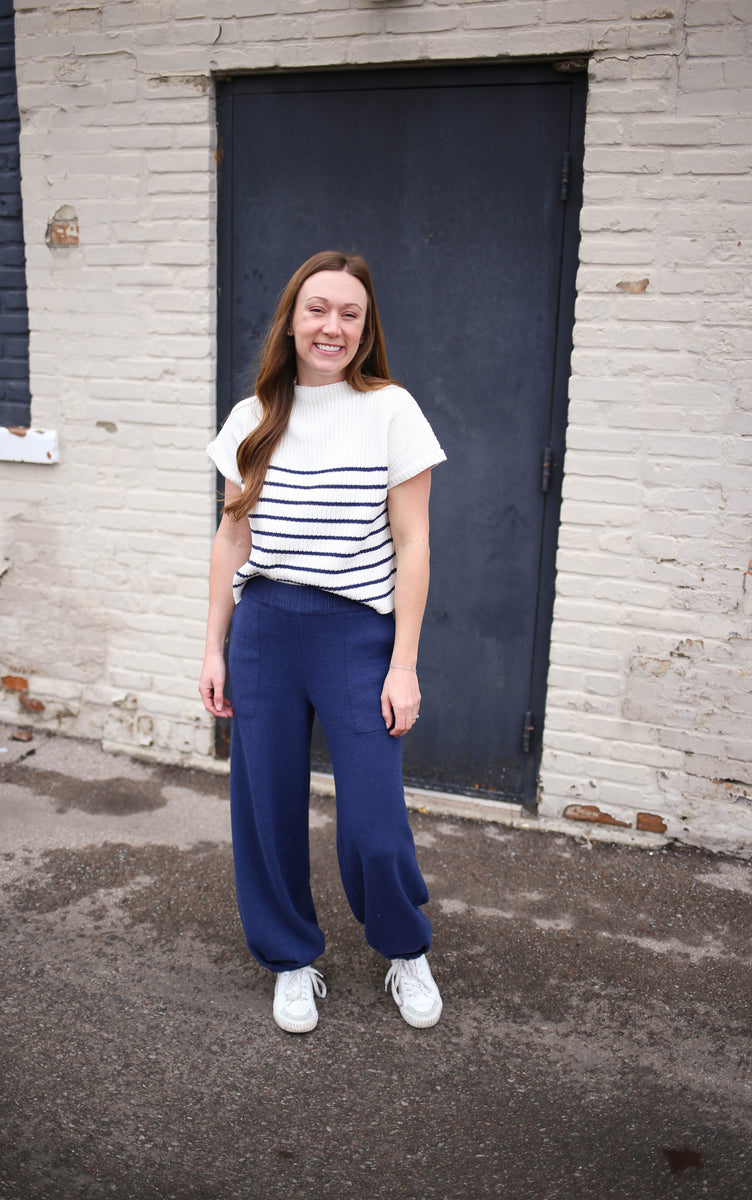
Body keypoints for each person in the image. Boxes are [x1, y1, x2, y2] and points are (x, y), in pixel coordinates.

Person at [198, 250, 446, 1034]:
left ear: (365, 329)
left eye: (350, 313)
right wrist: (213, 647)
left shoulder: (391, 410)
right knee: (265, 808)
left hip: (354, 634)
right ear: (292, 318)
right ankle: (291, 959)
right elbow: (231, 537)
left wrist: (403, 663)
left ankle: (405, 947)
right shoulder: (252, 417)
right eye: (318, 309)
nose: (332, 326)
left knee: (374, 822)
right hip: (266, 631)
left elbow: (414, 543)